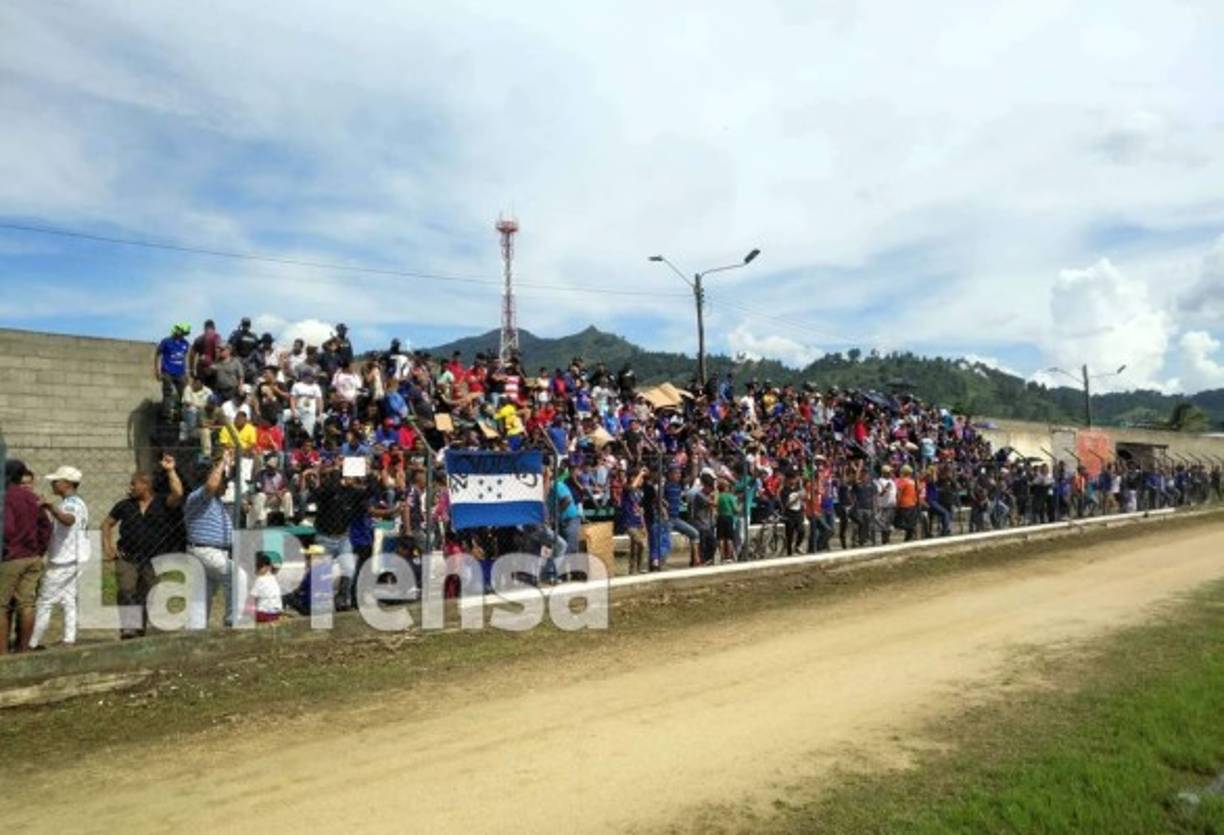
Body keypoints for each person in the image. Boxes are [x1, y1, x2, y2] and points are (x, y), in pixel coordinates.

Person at [100, 455, 183, 639]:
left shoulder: (162, 503)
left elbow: (177, 493)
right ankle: (129, 628)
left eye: (133, 484)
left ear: (145, 485)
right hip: (127, 556)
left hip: (153, 559)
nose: (130, 487)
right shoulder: (124, 505)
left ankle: (139, 629)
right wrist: (107, 546)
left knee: (147, 595)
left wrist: (170, 470)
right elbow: (106, 524)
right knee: (127, 590)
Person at [29, 466, 90, 649]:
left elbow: (69, 520)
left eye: (56, 481)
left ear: (67, 484)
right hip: (77, 557)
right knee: (68, 599)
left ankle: (32, 642)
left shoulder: (70, 504)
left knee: (45, 601)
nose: (53, 483)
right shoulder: (78, 502)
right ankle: (69, 638)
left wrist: (51, 509)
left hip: (64, 560)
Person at [1, 460, 52, 654]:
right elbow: (46, 527)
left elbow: (7, 529)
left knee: (1, 606)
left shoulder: (6, 497)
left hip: (10, 557)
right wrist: (38, 550)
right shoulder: (32, 497)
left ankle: (3, 654)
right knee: (27, 604)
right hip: (32, 557)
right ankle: (23, 651)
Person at [182, 452, 236, 630]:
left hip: (212, 552)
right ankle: (232, 623)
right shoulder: (199, 497)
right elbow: (211, 484)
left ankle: (194, 632)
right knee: (237, 576)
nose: (226, 487)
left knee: (203, 595)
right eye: (224, 483)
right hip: (205, 550)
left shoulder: (216, 503)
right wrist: (222, 463)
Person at [154, 322, 191, 421]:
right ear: (177, 330)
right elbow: (158, 355)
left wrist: (187, 372)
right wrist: (157, 370)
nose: (183, 335)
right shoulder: (166, 341)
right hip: (167, 371)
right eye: (182, 332)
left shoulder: (185, 344)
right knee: (167, 392)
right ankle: (166, 415)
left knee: (185, 394)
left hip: (180, 372)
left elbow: (185, 358)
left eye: (185, 334)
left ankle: (182, 414)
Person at [249, 551, 283, 624]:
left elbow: (252, 597)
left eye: (259, 567)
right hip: (276, 614)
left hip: (263, 615)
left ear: (268, 567)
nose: (257, 570)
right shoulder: (274, 578)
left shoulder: (260, 580)